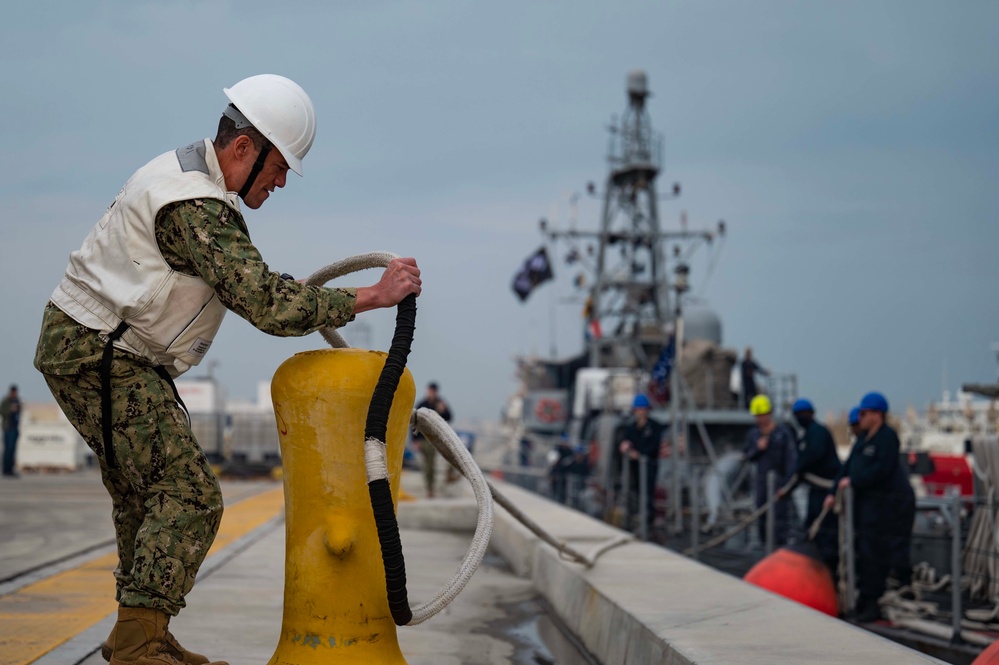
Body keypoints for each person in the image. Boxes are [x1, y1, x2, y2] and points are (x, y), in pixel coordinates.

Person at [34, 75, 422, 665]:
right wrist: (372, 296)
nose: (282, 181)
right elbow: (265, 302)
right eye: (279, 166)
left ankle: (138, 632)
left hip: (97, 349)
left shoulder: (180, 175)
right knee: (190, 494)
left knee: (144, 496)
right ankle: (141, 641)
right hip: (101, 354)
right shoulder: (196, 205)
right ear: (244, 148)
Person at [823, 392, 911, 622]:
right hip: (863, 508)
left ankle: (875, 602)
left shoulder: (887, 438)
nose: (859, 417)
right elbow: (847, 467)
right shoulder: (863, 440)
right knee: (863, 552)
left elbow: (882, 469)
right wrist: (833, 493)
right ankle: (863, 598)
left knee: (877, 554)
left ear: (877, 415)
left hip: (883, 508)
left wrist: (855, 482)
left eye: (863, 413)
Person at [787, 398, 841, 572]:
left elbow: (812, 456)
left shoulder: (817, 432)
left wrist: (797, 470)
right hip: (816, 491)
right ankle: (814, 565)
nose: (800, 417)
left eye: (803, 414)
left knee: (825, 532)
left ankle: (827, 569)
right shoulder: (809, 433)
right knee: (812, 527)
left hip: (826, 491)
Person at [743, 394, 796, 546]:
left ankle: (779, 548)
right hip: (761, 483)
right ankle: (764, 546)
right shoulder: (753, 435)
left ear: (769, 413)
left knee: (779, 520)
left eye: (762, 415)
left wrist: (786, 485)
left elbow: (791, 461)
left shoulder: (783, 434)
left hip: (779, 484)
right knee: (762, 518)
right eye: (757, 416)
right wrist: (757, 449)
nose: (760, 419)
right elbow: (746, 455)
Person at [617, 394, 668, 532]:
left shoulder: (655, 427)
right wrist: (625, 447)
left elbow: (655, 445)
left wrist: (640, 455)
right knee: (636, 491)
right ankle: (634, 517)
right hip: (634, 467)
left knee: (648, 491)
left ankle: (648, 520)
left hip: (649, 465)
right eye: (638, 409)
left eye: (643, 409)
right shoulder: (631, 428)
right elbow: (625, 441)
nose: (640, 412)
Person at [412, 382, 452, 498]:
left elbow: (449, 417)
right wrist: (416, 440)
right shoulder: (422, 404)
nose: (432, 393)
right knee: (429, 465)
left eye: (433, 391)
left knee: (454, 454)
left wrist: (443, 410)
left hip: (439, 437)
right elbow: (414, 422)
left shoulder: (440, 403)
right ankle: (430, 489)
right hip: (425, 439)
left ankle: (449, 474)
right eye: (430, 391)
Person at [1, 385, 21, 477]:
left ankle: (10, 470)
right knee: (8, 450)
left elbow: (20, 411)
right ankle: (6, 470)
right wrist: (10, 409)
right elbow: (2, 412)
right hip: (8, 428)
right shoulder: (6, 401)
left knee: (12, 450)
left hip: (15, 428)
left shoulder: (17, 400)